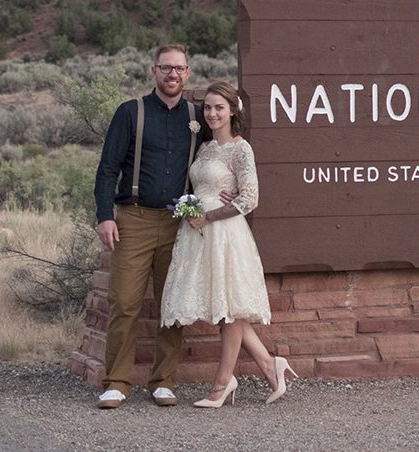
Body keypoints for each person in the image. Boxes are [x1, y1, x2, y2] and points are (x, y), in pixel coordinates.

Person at [158, 81, 296, 406]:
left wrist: (210, 216)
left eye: (219, 107)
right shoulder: (204, 148)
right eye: (207, 107)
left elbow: (251, 198)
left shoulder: (240, 148)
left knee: (231, 308)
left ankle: (222, 383)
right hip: (197, 234)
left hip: (225, 233)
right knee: (224, 308)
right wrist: (191, 208)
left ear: (232, 111)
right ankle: (268, 364)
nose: (212, 113)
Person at [92, 43, 199, 410]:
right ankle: (117, 382)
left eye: (180, 69)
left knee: (171, 303)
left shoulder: (197, 117)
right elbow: (108, 168)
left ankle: (163, 381)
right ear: (153, 71)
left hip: (178, 222)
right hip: (133, 220)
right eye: (166, 68)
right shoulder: (129, 113)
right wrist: (105, 214)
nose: (173, 75)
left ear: (188, 73)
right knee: (124, 301)